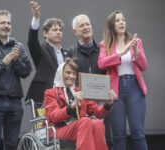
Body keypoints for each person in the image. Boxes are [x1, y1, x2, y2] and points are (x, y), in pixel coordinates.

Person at [0, 10, 32, 150]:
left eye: (8, 23)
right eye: (2, 22)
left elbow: (26, 72)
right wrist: (4, 62)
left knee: (11, 144)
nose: (6, 25)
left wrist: (16, 61)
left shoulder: (18, 46)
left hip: (15, 101)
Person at [98, 11, 148, 150]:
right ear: (112, 25)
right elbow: (101, 63)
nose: (121, 22)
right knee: (118, 136)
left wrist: (137, 54)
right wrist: (121, 53)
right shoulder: (105, 45)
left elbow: (144, 66)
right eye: (118, 20)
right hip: (115, 90)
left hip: (135, 89)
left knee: (138, 134)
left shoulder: (136, 42)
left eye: (123, 20)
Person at [44, 58, 116, 150]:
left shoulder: (80, 91)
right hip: (58, 129)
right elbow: (54, 116)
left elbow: (98, 113)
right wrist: (72, 105)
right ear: (60, 73)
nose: (71, 76)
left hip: (80, 127)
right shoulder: (51, 93)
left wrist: (108, 104)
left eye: (74, 74)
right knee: (85, 121)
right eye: (68, 72)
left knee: (98, 123)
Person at [67, 14, 113, 150]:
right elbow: (69, 77)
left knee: (105, 135)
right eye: (81, 25)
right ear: (75, 31)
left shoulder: (104, 49)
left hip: (102, 99)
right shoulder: (70, 52)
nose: (86, 27)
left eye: (87, 24)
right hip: (82, 101)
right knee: (86, 136)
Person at [26, 1, 70, 110]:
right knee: (45, 127)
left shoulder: (67, 54)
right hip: (44, 97)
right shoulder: (40, 49)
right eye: (55, 30)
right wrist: (36, 18)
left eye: (60, 30)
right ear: (45, 33)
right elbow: (32, 41)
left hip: (65, 98)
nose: (59, 32)